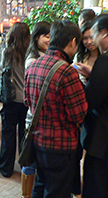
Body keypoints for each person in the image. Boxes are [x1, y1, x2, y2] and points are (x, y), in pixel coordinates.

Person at [24, 20, 88, 198]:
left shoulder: (33, 65)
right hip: (61, 146)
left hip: (38, 141)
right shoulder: (67, 72)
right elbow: (79, 113)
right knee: (57, 192)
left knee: (40, 186)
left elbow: (27, 101)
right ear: (73, 41)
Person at [76, 15, 108, 198]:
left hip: (102, 138)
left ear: (103, 34)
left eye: (94, 35)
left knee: (96, 185)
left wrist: (91, 81)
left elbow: (92, 100)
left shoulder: (104, 61)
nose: (92, 41)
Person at [21, 21, 51, 197]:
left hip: (41, 117)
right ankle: (26, 193)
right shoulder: (33, 59)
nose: (49, 39)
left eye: (50, 36)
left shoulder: (45, 55)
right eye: (46, 36)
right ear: (37, 37)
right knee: (30, 159)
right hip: (34, 118)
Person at [0, 22, 30, 178]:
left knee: (8, 135)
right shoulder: (30, 53)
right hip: (26, 101)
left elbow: (2, 69)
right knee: (24, 135)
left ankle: (6, 168)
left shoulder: (8, 52)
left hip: (10, 99)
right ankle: (25, 166)